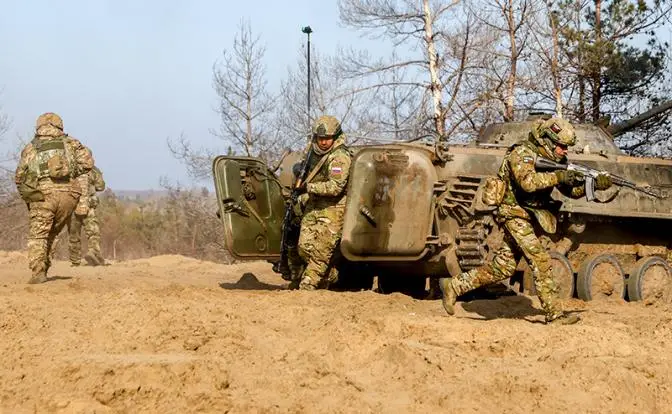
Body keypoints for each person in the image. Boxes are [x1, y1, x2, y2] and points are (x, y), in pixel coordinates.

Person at [439, 117, 613, 324]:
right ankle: (554, 314)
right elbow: (528, 183)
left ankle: (455, 286)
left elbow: (570, 191)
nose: (565, 151)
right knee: (540, 259)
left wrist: (593, 184)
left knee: (502, 267)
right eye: (562, 147)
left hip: (530, 215)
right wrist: (559, 177)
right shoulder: (521, 153)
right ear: (547, 141)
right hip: (513, 212)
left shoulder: (555, 160)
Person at [15, 112, 94, 284]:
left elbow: (19, 176)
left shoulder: (31, 147)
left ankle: (38, 272)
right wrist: (72, 172)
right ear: (59, 126)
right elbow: (88, 163)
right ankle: (46, 266)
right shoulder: (71, 143)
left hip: (43, 195)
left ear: (39, 127)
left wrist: (29, 194)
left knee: (39, 233)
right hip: (70, 194)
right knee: (52, 232)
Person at [293, 115, 352, 290]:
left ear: (335, 137)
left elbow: (335, 187)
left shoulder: (340, 157)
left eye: (327, 139)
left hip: (334, 207)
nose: (324, 142)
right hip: (314, 205)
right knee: (304, 248)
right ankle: (331, 275)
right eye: (321, 139)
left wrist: (308, 188)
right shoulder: (313, 153)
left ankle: (307, 285)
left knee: (321, 252)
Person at [68, 165, 106, 266]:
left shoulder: (68, 167)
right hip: (88, 205)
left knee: (74, 234)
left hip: (72, 206)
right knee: (93, 232)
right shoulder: (92, 170)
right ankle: (94, 252)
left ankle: (75, 261)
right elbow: (101, 186)